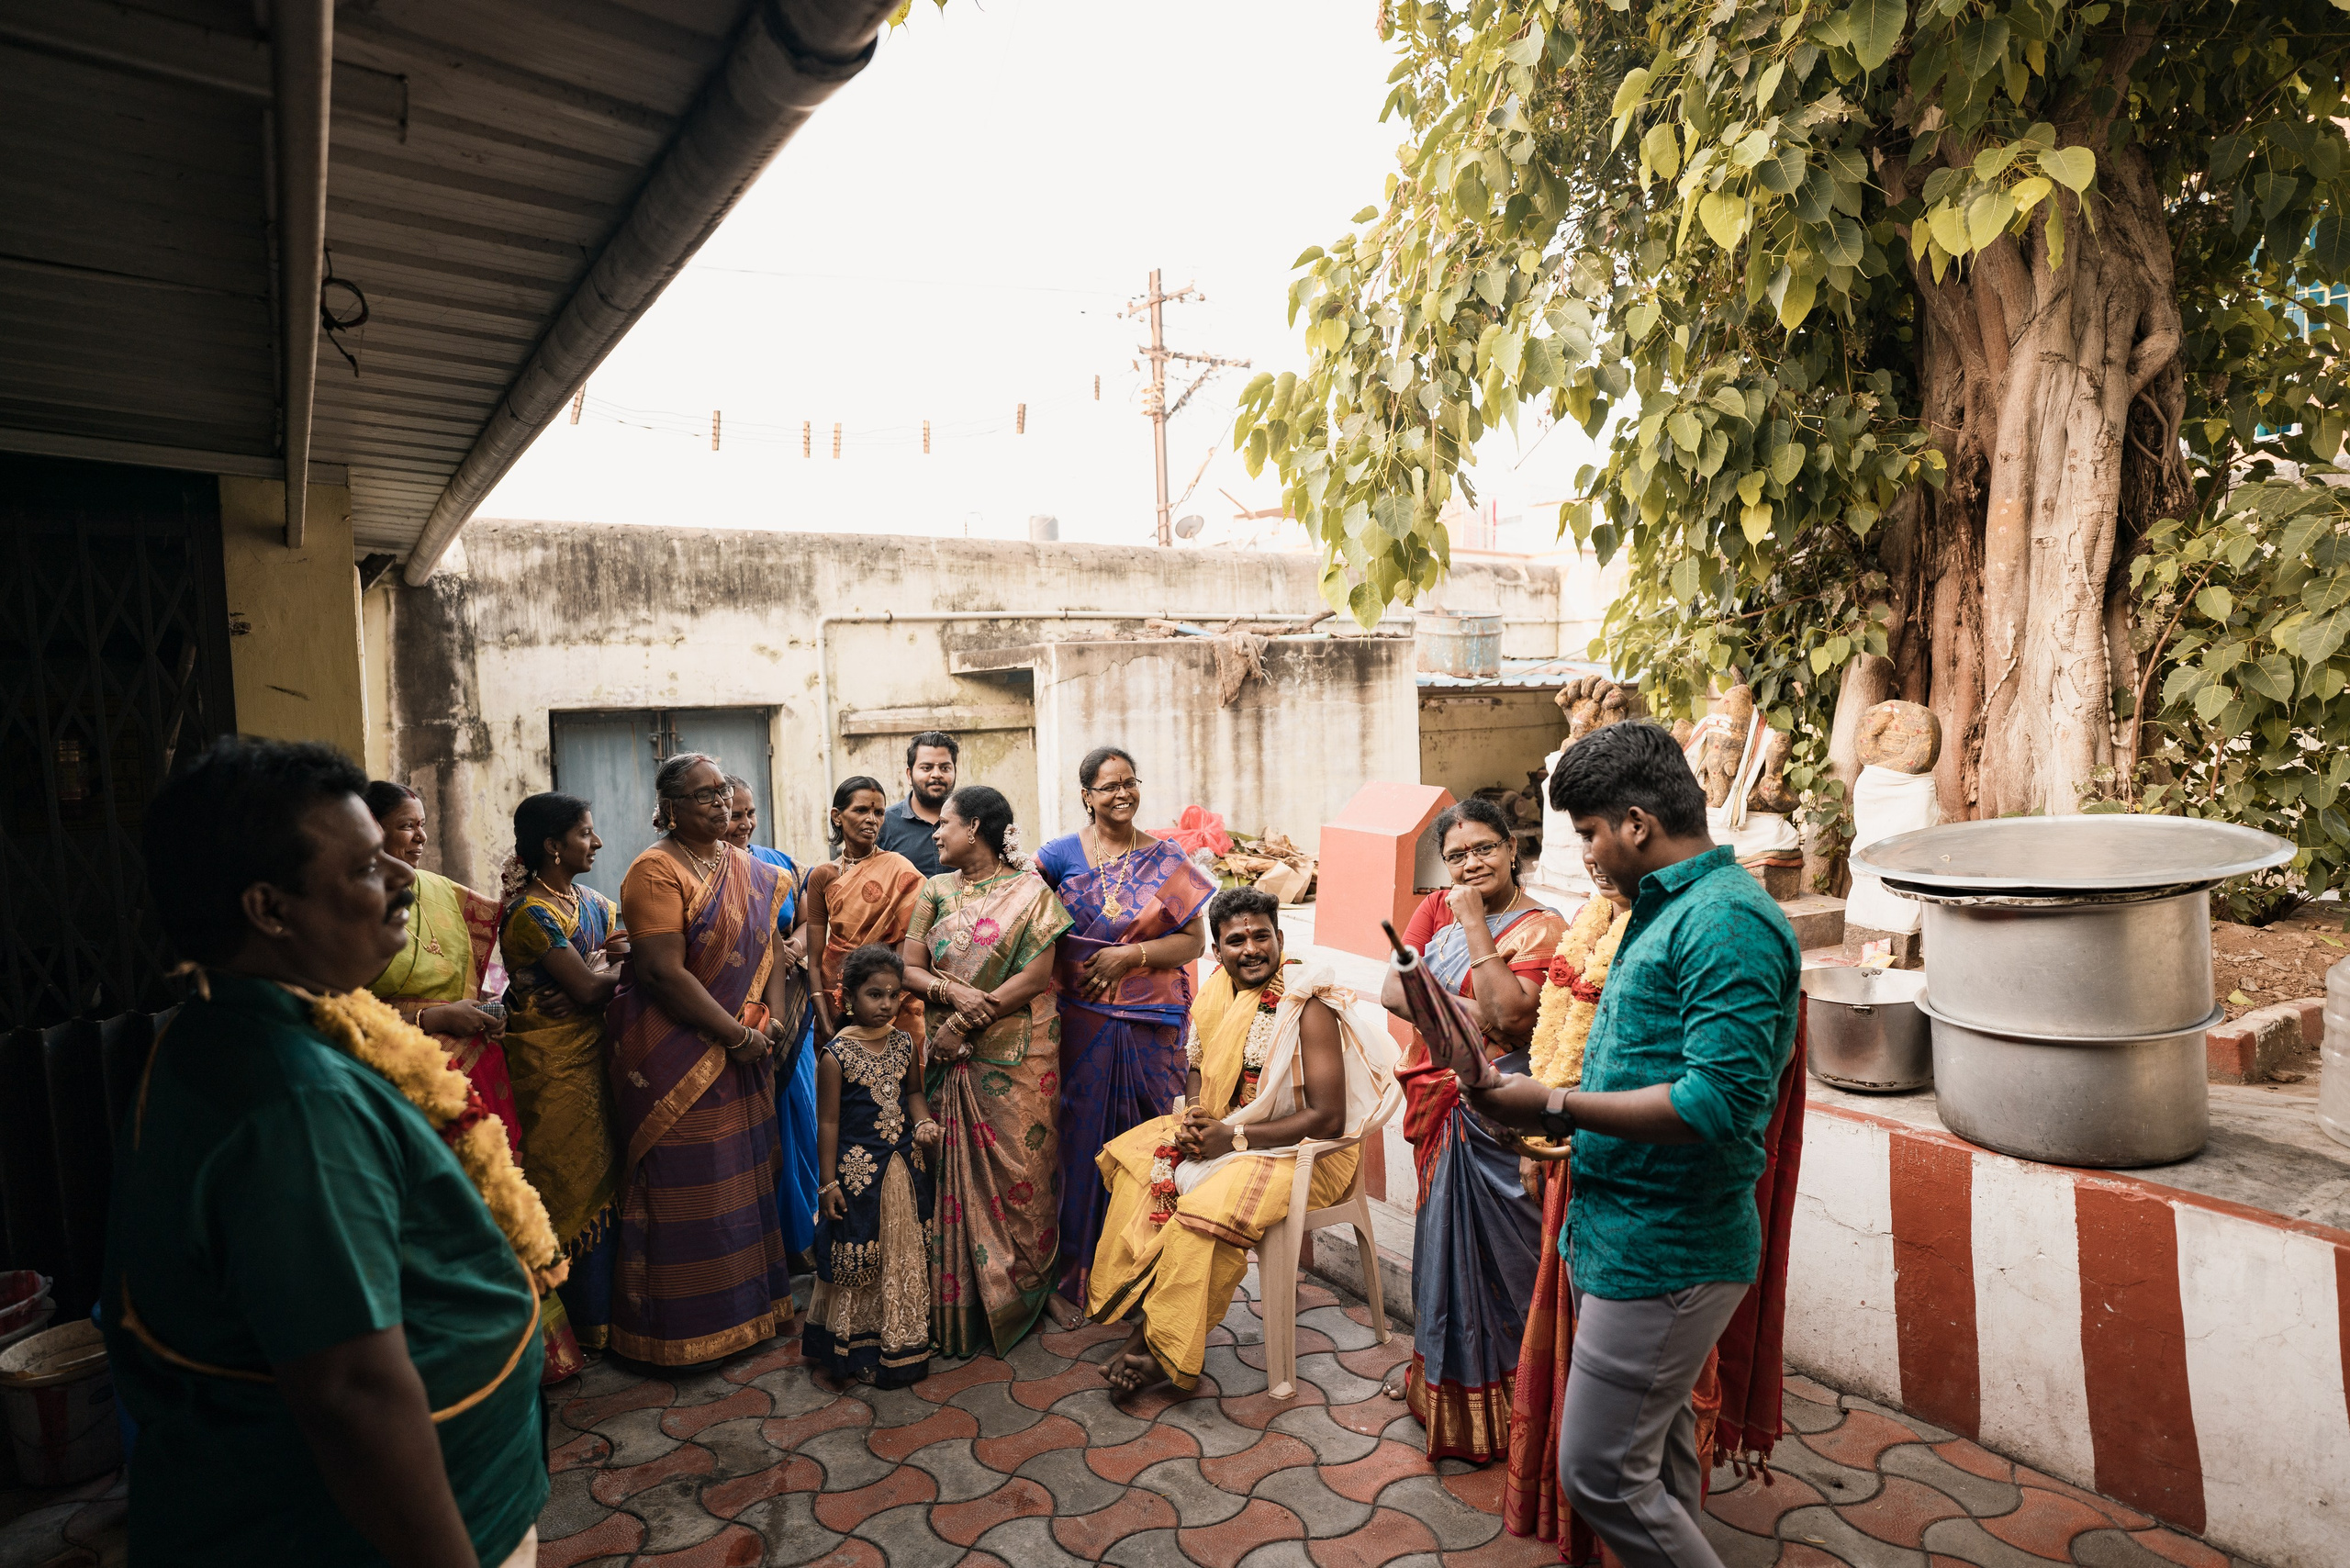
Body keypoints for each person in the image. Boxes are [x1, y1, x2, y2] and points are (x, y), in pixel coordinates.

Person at [103, 737, 545, 1567]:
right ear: (270, 910)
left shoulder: (242, 1023)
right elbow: (352, 1395)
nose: (404, 879)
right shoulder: (294, 1104)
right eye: (367, 866)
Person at [1460, 722, 1800, 1568]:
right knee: (1658, 1461)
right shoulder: (1667, 908)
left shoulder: (1726, 924)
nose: (1584, 855)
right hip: (1628, 1233)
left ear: (1638, 823)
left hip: (1668, 1249)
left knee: (1603, 1473)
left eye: (1587, 833)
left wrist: (1561, 1104)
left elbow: (1716, 1100)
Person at [1090, 887, 1397, 1397]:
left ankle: (1157, 1348)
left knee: (1205, 1213)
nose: (1250, 949)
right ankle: (1147, 1318)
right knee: (1133, 1163)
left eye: (1261, 936)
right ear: (1217, 950)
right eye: (1236, 940)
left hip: (1306, 1153)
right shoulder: (1216, 991)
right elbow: (1196, 1066)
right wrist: (1194, 1117)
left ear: (1280, 938)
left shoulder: (1307, 1002)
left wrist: (1233, 1137)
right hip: (1231, 1132)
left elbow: (1327, 1116)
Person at [1377, 795, 1567, 1461]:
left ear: (1514, 847)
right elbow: (1393, 990)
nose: (1470, 863)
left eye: (1484, 848)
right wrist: (1474, 1012)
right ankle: (1448, 1391)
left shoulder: (1544, 926)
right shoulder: (1433, 906)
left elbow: (1515, 1023)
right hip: (1441, 1103)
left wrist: (1475, 930)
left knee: (1512, 1264)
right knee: (1441, 1252)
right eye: (1455, 855)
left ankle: (1524, 1403)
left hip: (1504, 1117)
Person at [605, 754, 798, 1365]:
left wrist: (772, 1017)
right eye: (702, 796)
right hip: (677, 1052)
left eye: (722, 792)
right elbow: (663, 973)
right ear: (669, 809)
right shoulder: (654, 871)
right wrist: (735, 1036)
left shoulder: (746, 866)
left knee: (744, 1176)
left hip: (745, 1043)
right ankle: (684, 1332)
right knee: (689, 1184)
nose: (718, 804)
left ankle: (751, 1314)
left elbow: (768, 949)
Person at [1033, 745, 1213, 1317]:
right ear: (1085, 795)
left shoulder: (1167, 858)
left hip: (1148, 1027)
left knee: (1148, 1142)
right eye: (1108, 786)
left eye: (1129, 783)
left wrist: (1129, 956)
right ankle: (1080, 1272)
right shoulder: (1058, 856)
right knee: (1081, 1142)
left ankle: (1146, 1270)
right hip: (1080, 1023)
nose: (1121, 794)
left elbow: (1194, 942)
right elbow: (1024, 921)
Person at [899, 785, 1071, 1359]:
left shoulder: (1030, 893)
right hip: (950, 1059)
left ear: (974, 827)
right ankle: (962, 1300)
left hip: (1017, 1058)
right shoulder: (935, 890)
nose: (935, 833)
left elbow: (1035, 978)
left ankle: (1027, 1288)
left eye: (944, 824)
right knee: (948, 1168)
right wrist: (951, 995)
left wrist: (965, 1022)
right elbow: (909, 968)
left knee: (1025, 1172)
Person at [499, 791, 628, 1383]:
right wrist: (604, 970)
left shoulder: (592, 903)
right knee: (567, 1185)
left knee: (613, 1175)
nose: (596, 844)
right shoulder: (529, 914)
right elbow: (591, 991)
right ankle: (573, 1327)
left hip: (599, 1057)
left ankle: (607, 1318)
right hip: (551, 1070)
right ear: (553, 847)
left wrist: (604, 967)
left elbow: (616, 965)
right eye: (585, 833)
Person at [363, 782, 522, 1156]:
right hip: (390, 1073)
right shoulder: (344, 908)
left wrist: (487, 1009)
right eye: (407, 826)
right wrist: (431, 1019)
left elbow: (459, 984)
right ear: (369, 828)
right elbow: (332, 1011)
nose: (421, 836)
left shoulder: (442, 892)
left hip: (474, 1068)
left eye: (423, 824)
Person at [806, 944, 940, 1387]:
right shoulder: (836, 1055)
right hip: (858, 1172)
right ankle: (858, 1346)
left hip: (904, 1167)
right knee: (861, 1250)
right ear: (848, 998)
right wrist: (827, 1185)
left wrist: (923, 1123)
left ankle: (901, 1336)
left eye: (893, 995)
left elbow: (914, 1095)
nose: (886, 1005)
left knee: (901, 1251)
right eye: (874, 994)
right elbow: (827, 1123)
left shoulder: (904, 1043)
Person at [723, 776, 820, 1266]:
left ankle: (803, 1233)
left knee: (799, 1110)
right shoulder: (697, 872)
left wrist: (795, 947)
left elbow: (804, 918)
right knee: (754, 1121)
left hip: (792, 1007)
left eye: (750, 813)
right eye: (735, 814)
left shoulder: (777, 863)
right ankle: (764, 1243)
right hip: (734, 1011)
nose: (744, 824)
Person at [807, 776, 927, 1045]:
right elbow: (813, 961)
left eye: (879, 812)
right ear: (837, 816)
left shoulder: (900, 869)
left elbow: (911, 947)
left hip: (892, 1000)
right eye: (861, 810)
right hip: (836, 994)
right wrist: (824, 1020)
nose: (872, 819)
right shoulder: (822, 876)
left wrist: (888, 1001)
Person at [877, 730, 957, 877]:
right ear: (909, 775)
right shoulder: (884, 823)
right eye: (926, 768)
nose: (937, 774)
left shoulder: (970, 821)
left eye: (945, 768)